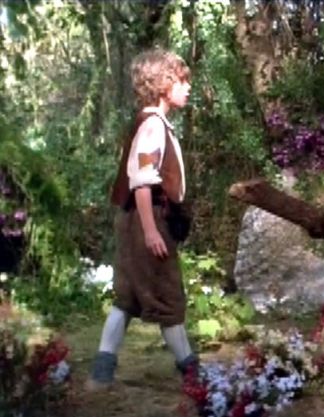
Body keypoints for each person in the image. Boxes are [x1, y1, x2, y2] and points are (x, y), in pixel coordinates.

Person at [86, 48, 196, 390]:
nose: (188, 87)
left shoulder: (153, 124)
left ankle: (102, 370)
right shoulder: (151, 126)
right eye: (182, 81)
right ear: (163, 84)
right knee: (168, 296)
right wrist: (150, 231)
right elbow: (143, 182)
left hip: (138, 219)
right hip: (147, 219)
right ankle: (193, 374)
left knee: (128, 297)